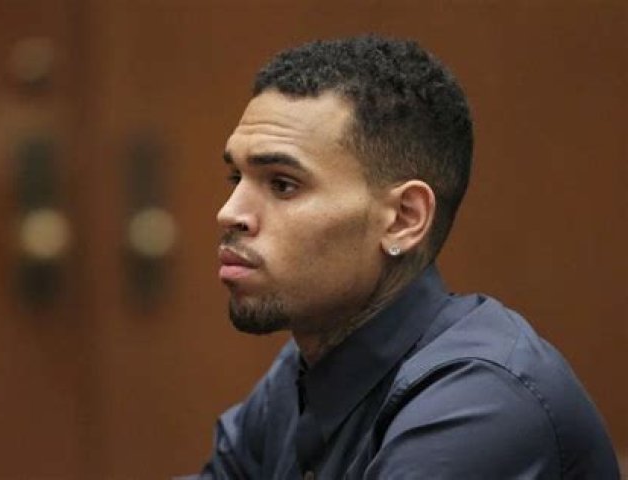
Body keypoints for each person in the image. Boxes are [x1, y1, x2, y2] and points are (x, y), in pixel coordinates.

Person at [202, 36, 619, 479]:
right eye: (236, 177)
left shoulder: (482, 401)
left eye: (283, 184)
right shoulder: (305, 366)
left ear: (404, 219)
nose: (229, 212)